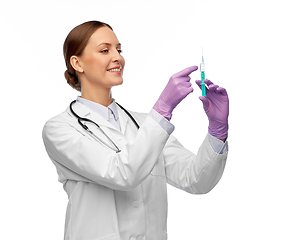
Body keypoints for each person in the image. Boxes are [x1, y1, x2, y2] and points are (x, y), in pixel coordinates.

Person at [42, 20, 229, 240]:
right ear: (77, 63)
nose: (117, 57)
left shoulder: (145, 125)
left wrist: (217, 131)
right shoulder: (60, 129)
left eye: (119, 50)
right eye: (105, 50)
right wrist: (163, 109)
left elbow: (196, 180)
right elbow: (122, 173)